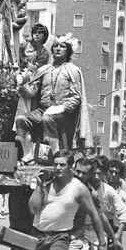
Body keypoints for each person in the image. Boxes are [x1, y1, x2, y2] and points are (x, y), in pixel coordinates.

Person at [15, 33, 91, 163]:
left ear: (68, 50)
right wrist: (22, 85)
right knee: (21, 119)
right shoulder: (44, 69)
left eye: (62, 46)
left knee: (47, 118)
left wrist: (60, 108)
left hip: (65, 115)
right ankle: (28, 156)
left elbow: (76, 98)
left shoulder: (72, 70)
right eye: (55, 46)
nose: (58, 49)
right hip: (43, 110)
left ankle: (57, 155)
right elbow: (33, 91)